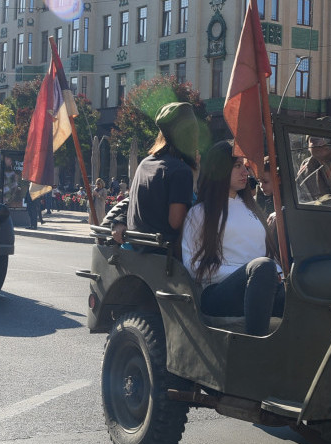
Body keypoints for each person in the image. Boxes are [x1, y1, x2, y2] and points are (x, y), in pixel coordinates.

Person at [181, 141, 284, 336]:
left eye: (245, 166)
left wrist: (279, 276)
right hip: (218, 294)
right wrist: (249, 274)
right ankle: (254, 347)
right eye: (237, 166)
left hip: (263, 284)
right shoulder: (200, 213)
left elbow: (270, 256)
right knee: (262, 267)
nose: (245, 172)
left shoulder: (251, 209)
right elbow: (195, 267)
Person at [109, 101, 200, 252]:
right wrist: (194, 180)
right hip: (165, 257)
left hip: (135, 251)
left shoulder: (144, 164)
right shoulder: (180, 170)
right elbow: (176, 222)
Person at [296, 125, 331, 200]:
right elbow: (300, 194)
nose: (319, 143)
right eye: (313, 140)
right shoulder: (307, 164)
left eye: (326, 138)